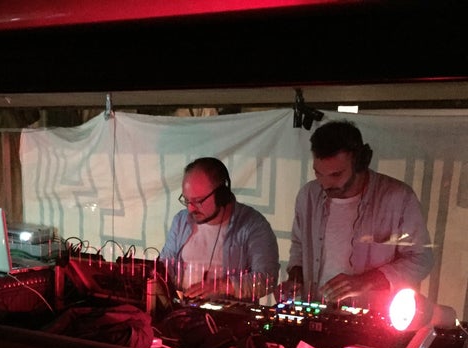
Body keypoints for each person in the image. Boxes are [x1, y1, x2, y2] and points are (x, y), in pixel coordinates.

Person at [281, 120, 434, 310]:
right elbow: (299, 246)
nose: (325, 184)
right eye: (318, 173)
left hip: (372, 317)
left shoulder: (398, 198)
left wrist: (365, 282)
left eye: (336, 175)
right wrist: (295, 278)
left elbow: (421, 259)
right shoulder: (308, 195)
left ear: (360, 162)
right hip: (315, 310)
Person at [160, 157, 280, 303]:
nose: (191, 209)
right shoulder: (181, 221)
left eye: (198, 201)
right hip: (183, 312)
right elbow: (164, 267)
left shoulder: (253, 225)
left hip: (230, 316)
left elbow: (267, 279)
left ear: (221, 195)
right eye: (187, 200)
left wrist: (221, 286)